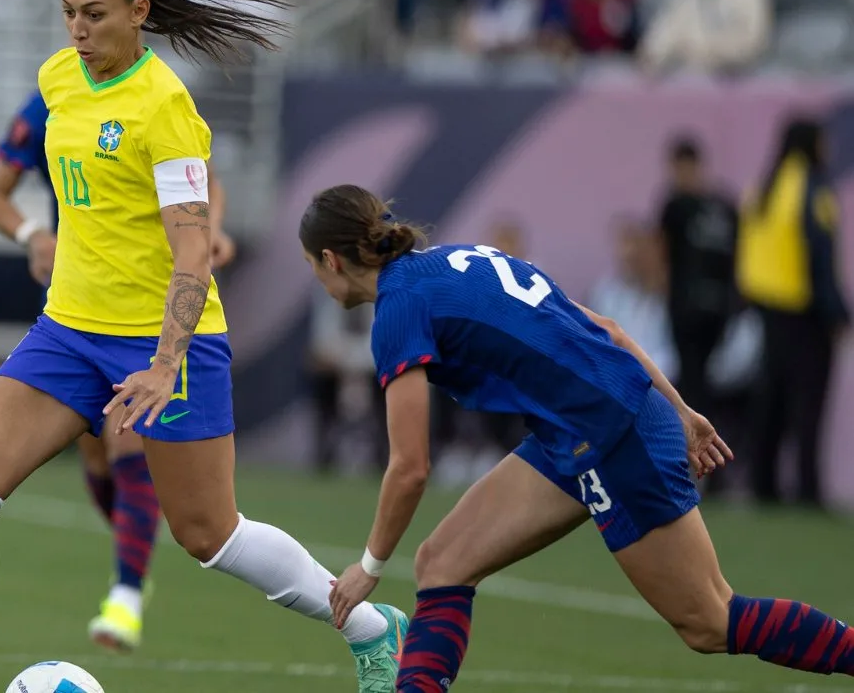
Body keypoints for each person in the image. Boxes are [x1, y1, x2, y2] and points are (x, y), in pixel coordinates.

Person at [0, 0, 407, 693]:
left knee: (209, 535)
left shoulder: (165, 107)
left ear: (139, 12)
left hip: (163, 343)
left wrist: (165, 364)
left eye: (94, 14)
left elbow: (192, 252)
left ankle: (371, 628)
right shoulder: (57, 79)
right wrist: (40, 238)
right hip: (69, 330)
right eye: (68, 13)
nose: (77, 29)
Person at [301, 184, 854, 693]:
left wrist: (368, 568)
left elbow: (410, 468)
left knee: (710, 621)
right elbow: (607, 329)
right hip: (579, 428)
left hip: (611, 434)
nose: (318, 279)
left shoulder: (398, 310)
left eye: (312, 266)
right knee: (442, 563)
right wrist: (680, 410)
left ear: (331, 259)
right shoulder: (454, 259)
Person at [0, 85, 239, 650]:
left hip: (148, 307)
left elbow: (207, 183)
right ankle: (133, 562)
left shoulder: (158, 100)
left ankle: (126, 593)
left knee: (127, 439)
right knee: (97, 459)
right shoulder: (50, 100)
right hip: (76, 308)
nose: (84, 40)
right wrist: (33, 235)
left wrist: (211, 229)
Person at [737, 117, 849, 508]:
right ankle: (807, 488)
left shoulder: (764, 188)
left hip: (766, 309)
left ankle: (763, 482)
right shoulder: (812, 189)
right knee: (808, 402)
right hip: (804, 312)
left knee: (771, 398)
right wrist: (837, 313)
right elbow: (820, 257)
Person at [658, 137, 738, 447]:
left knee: (701, 387)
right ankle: (698, 453)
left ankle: (703, 452)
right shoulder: (681, 207)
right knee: (694, 384)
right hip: (694, 309)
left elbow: (663, 253)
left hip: (709, 311)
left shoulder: (713, 207)